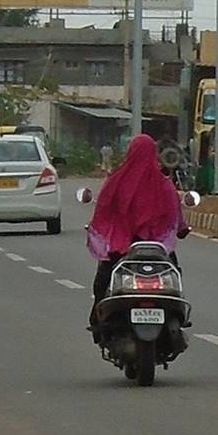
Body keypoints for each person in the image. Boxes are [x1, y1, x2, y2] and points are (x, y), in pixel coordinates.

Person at [86, 134, 191, 342]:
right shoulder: (164, 184)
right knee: (174, 276)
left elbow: (103, 213)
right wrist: (182, 229)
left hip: (121, 249)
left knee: (103, 282)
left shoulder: (116, 181)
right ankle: (179, 317)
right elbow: (176, 218)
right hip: (157, 249)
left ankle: (97, 321)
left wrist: (101, 230)